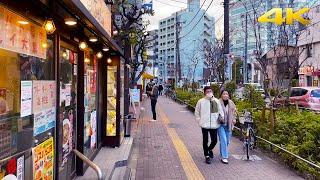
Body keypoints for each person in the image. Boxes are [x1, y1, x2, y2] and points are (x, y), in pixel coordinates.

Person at [195, 86, 224, 164]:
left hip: (214, 124)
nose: (209, 92)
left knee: (214, 140)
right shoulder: (201, 101)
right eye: (207, 91)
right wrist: (199, 121)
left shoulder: (216, 101)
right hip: (204, 124)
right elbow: (197, 112)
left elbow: (220, 111)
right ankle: (206, 156)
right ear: (204, 92)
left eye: (210, 91)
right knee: (205, 140)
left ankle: (209, 149)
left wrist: (221, 118)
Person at [218, 90, 237, 164]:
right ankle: (224, 157)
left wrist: (234, 119)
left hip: (229, 124)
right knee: (223, 140)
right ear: (221, 95)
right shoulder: (218, 102)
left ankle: (222, 153)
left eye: (227, 94)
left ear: (229, 95)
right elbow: (214, 112)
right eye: (224, 94)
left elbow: (234, 111)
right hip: (220, 124)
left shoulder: (231, 103)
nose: (225, 95)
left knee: (227, 141)